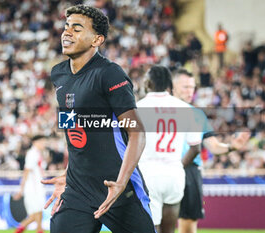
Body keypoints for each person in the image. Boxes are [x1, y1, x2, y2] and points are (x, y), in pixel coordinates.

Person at [41, 4, 155, 233]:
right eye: (66, 27)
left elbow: (137, 131)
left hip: (118, 188)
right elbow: (73, 130)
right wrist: (68, 174)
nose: (67, 32)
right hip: (77, 191)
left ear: (97, 40)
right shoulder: (59, 74)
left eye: (77, 28)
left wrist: (122, 183)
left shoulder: (109, 73)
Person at [172, 69, 250, 233]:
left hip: (191, 171)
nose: (190, 91)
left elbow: (213, 146)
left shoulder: (197, 115)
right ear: (172, 87)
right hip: (164, 168)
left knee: (188, 226)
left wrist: (232, 146)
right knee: (158, 222)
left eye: (192, 87)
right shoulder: (156, 111)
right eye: (185, 87)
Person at [137, 65, 202, 233]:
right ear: (169, 84)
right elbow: (195, 148)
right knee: (169, 230)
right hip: (174, 174)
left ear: (149, 83)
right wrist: (179, 165)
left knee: (151, 228)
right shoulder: (185, 108)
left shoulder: (138, 108)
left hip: (148, 174)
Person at [14, 135, 47, 233]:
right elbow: (26, 171)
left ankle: (26, 229)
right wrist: (21, 189)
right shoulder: (32, 154)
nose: (44, 144)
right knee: (37, 211)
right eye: (42, 142)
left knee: (37, 212)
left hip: (38, 185)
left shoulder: (38, 153)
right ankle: (39, 230)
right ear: (35, 142)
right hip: (33, 187)